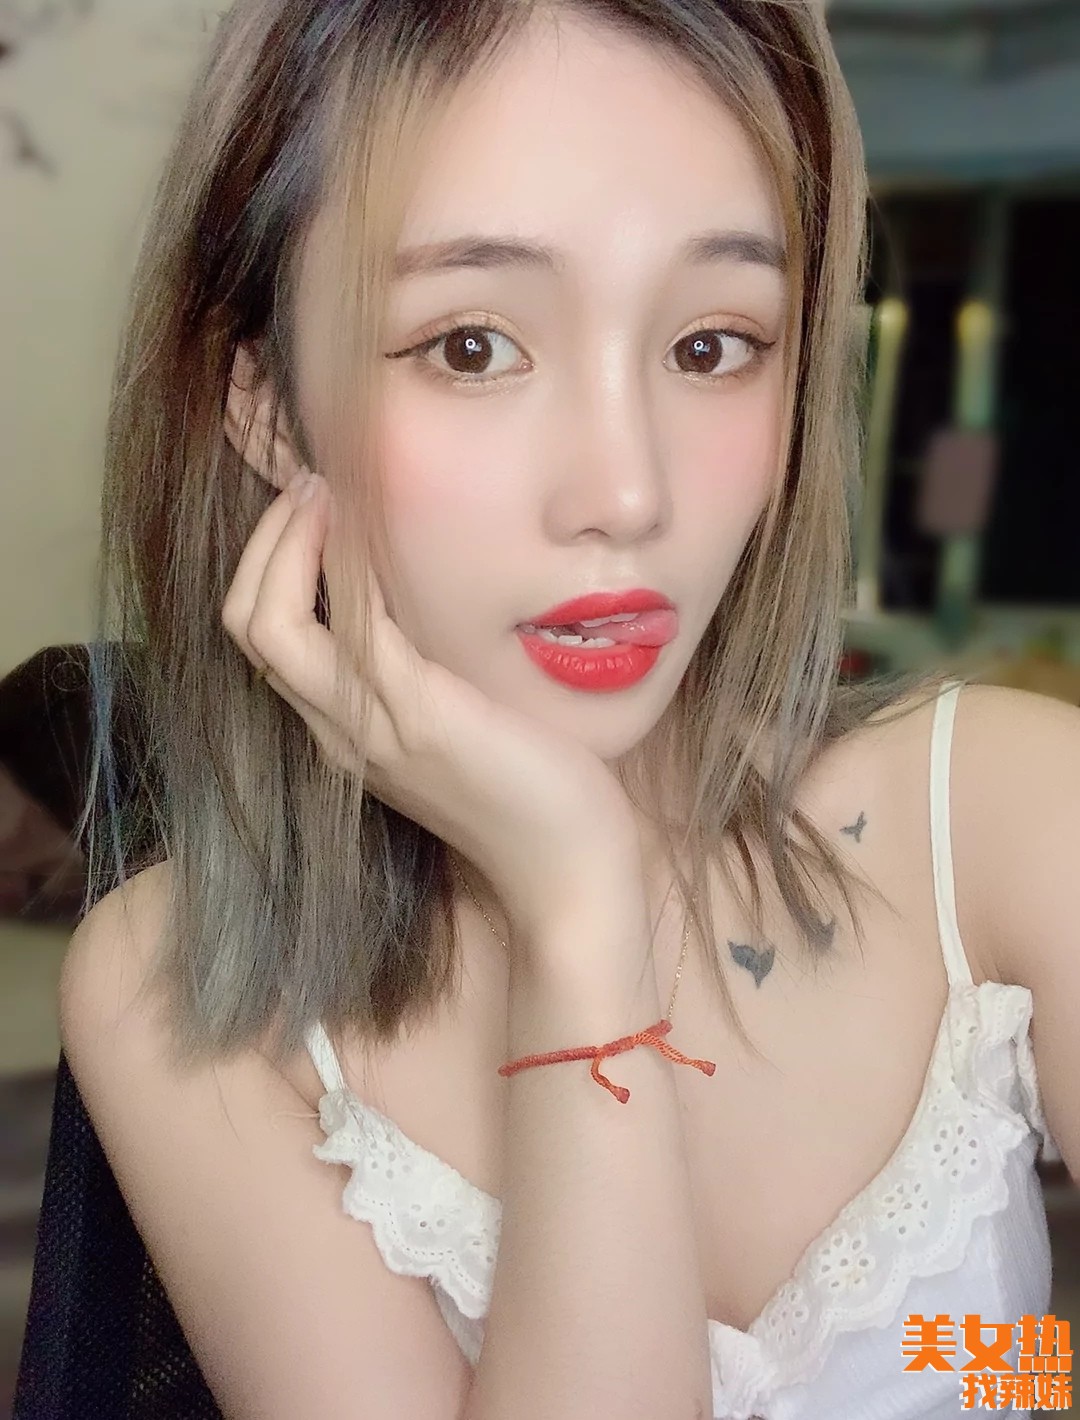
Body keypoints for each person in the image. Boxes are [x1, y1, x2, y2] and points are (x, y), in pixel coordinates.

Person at [57, 2, 1078, 1417]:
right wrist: (575, 909)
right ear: (268, 406)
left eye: (713, 345)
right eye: (473, 346)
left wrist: (1025, 1377)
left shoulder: (1011, 812)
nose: (627, 492)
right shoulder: (171, 988)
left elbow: (1006, 1369)